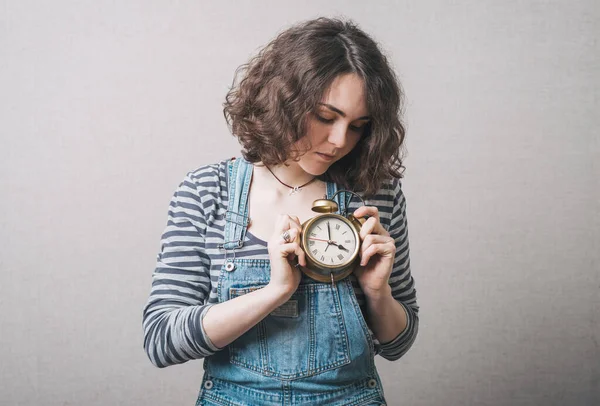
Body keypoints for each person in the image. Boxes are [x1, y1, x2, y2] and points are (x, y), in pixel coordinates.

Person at [142, 17, 419, 406]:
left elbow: (399, 343)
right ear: (283, 101)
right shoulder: (207, 192)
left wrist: (377, 292)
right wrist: (276, 291)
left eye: (358, 126)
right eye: (325, 117)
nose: (340, 141)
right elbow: (161, 340)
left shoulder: (376, 194)